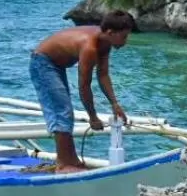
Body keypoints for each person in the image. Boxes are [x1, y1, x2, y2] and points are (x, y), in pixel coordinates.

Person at [30, 11, 134, 171]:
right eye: (124, 37)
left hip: (57, 64)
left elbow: (103, 75)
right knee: (61, 110)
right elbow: (84, 85)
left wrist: (115, 104)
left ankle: (72, 160)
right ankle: (64, 163)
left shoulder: (105, 42)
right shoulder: (90, 47)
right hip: (43, 62)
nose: (125, 41)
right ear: (110, 33)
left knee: (64, 110)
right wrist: (92, 117)